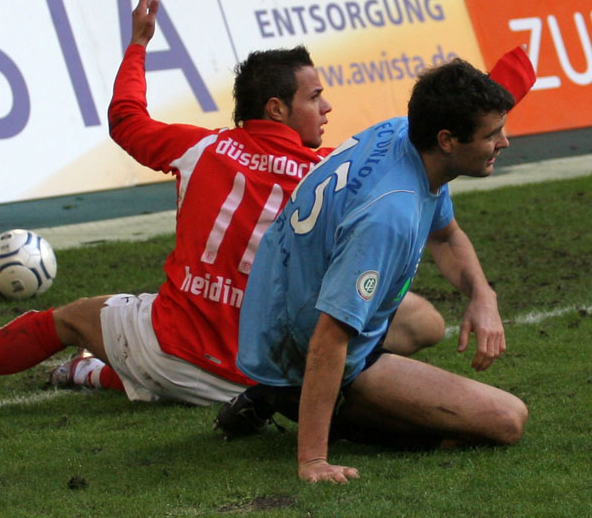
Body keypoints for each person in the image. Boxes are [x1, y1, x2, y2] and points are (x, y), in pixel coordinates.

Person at [0, 0, 336, 408]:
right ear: (276, 108)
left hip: (171, 350)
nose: (326, 107)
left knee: (70, 319)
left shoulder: (201, 148)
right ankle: (84, 372)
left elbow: (125, 119)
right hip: (254, 377)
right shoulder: (332, 172)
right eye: (315, 97)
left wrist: (138, 43)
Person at [214, 47, 536, 484]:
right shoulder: (390, 215)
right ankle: (300, 400)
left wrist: (483, 295)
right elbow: (329, 337)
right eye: (492, 134)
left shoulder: (405, 133)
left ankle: (273, 392)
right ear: (447, 141)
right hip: (301, 346)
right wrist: (313, 460)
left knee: (426, 324)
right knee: (506, 419)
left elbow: (446, 236)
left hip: (281, 308)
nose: (504, 142)